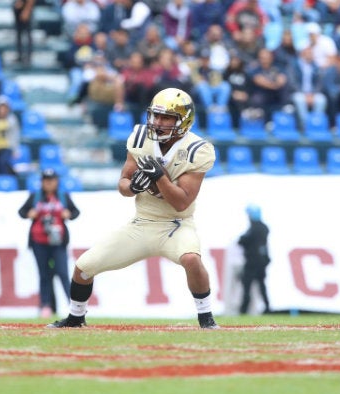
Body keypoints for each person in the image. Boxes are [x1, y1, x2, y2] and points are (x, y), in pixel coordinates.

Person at [48, 87, 219, 329]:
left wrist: (159, 177)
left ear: (183, 120)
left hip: (176, 224)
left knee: (192, 258)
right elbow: (123, 184)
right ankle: (76, 317)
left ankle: (206, 318)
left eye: (166, 117)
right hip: (142, 223)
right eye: (156, 116)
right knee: (84, 267)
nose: (158, 122)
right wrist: (134, 187)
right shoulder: (141, 137)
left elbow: (182, 201)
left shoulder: (198, 150)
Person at [18, 169, 80, 318]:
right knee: (44, 275)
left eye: (51, 180)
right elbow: (21, 211)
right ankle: (45, 305)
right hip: (39, 242)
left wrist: (69, 214)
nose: (48, 183)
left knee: (63, 273)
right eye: (46, 180)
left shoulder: (63, 197)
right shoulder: (35, 197)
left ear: (56, 181)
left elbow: (76, 212)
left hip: (58, 242)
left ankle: (73, 306)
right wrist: (29, 214)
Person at [237, 204, 270, 315]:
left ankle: (244, 309)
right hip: (261, 261)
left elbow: (242, 241)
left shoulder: (254, 229)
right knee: (261, 285)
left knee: (247, 286)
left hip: (252, 261)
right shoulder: (264, 228)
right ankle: (267, 307)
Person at [13, 0, 35, 66]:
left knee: (27, 34)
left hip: (25, 7)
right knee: (18, 34)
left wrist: (27, 10)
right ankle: (20, 56)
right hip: (18, 8)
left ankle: (28, 57)